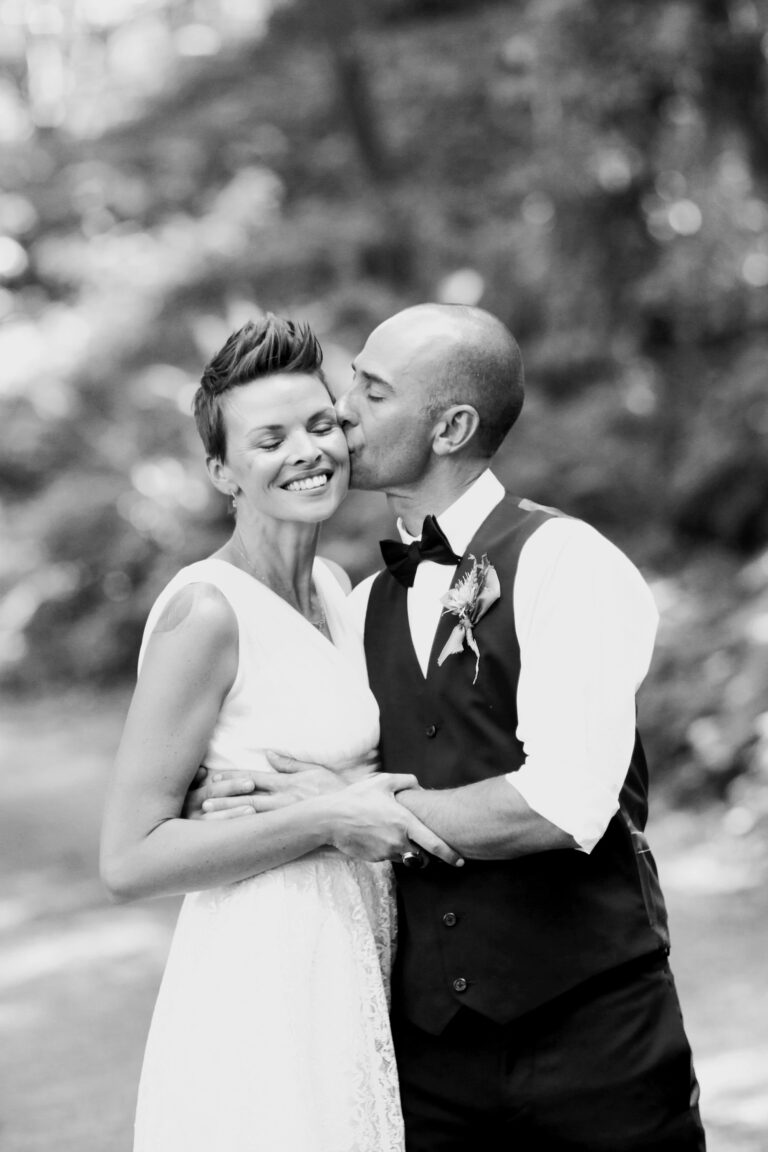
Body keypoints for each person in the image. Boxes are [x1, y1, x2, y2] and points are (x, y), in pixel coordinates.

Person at [197, 304, 706, 1151]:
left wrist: (351, 813)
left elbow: (561, 803)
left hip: (594, 1041)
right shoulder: (361, 606)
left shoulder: (567, 564)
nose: (342, 409)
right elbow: (336, 769)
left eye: (372, 389)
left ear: (451, 426)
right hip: (429, 1059)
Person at [99, 313, 464, 1152]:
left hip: (358, 953)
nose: (307, 450)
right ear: (222, 471)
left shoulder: (338, 588)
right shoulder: (206, 612)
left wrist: (338, 803)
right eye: (269, 439)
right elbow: (127, 859)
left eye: (321, 423)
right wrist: (322, 820)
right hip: (264, 968)